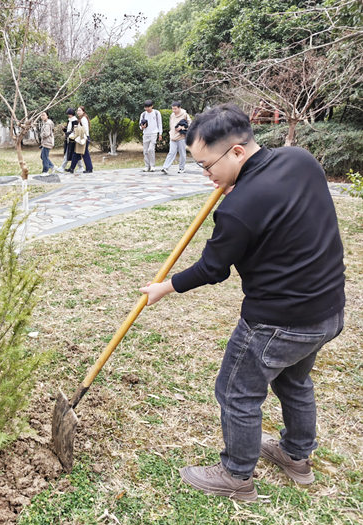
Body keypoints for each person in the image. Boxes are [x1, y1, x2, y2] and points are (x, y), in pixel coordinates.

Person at [139, 104, 345, 501]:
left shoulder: (237, 209)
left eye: (206, 165)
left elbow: (212, 269)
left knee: (237, 392)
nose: (206, 175)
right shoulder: (300, 160)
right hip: (327, 311)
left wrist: (166, 287)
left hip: (278, 323)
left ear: (236, 151)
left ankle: (236, 475)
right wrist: (241, 183)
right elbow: (276, 199)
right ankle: (296, 456)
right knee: (294, 381)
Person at [160, 101, 191, 174]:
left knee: (182, 153)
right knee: (171, 152)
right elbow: (171, 125)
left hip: (181, 137)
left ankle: (181, 168)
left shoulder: (185, 115)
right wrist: (171, 133)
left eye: (175, 109)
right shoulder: (172, 115)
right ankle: (165, 167)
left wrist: (182, 128)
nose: (174, 110)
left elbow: (190, 125)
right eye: (172, 109)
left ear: (179, 108)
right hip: (173, 137)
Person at [67, 106, 93, 174]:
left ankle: (89, 168)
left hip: (83, 138)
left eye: (79, 110)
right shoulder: (82, 118)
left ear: (83, 111)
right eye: (77, 110)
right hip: (82, 137)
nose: (78, 112)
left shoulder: (83, 119)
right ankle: (72, 168)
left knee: (83, 153)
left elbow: (84, 130)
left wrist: (82, 137)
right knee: (77, 153)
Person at [139, 99, 162, 172]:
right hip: (145, 134)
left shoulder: (156, 113)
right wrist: (142, 127)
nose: (147, 109)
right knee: (145, 151)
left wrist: (160, 133)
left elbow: (159, 123)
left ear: (152, 106)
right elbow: (140, 125)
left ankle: (152, 166)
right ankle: (147, 166)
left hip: (154, 134)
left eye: (148, 107)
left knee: (151, 150)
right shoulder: (143, 114)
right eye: (145, 107)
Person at [58, 108, 79, 173]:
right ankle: (81, 167)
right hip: (68, 139)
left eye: (69, 114)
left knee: (69, 153)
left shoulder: (75, 121)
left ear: (71, 114)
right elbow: (68, 130)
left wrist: (66, 133)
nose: (68, 115)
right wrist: (64, 129)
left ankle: (62, 167)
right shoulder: (69, 120)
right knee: (75, 154)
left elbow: (74, 130)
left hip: (73, 139)